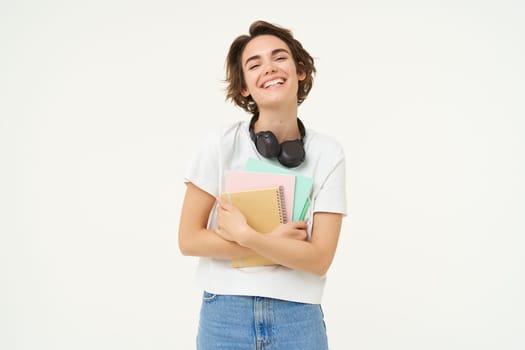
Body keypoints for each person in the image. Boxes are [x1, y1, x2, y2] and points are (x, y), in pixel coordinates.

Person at [178, 20, 347, 350]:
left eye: (279, 57)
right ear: (244, 87)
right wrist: (274, 244)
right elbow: (188, 239)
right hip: (225, 314)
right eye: (254, 64)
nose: (268, 68)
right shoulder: (221, 144)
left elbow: (319, 258)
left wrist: (247, 235)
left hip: (297, 317)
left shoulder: (328, 153)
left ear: (300, 70)